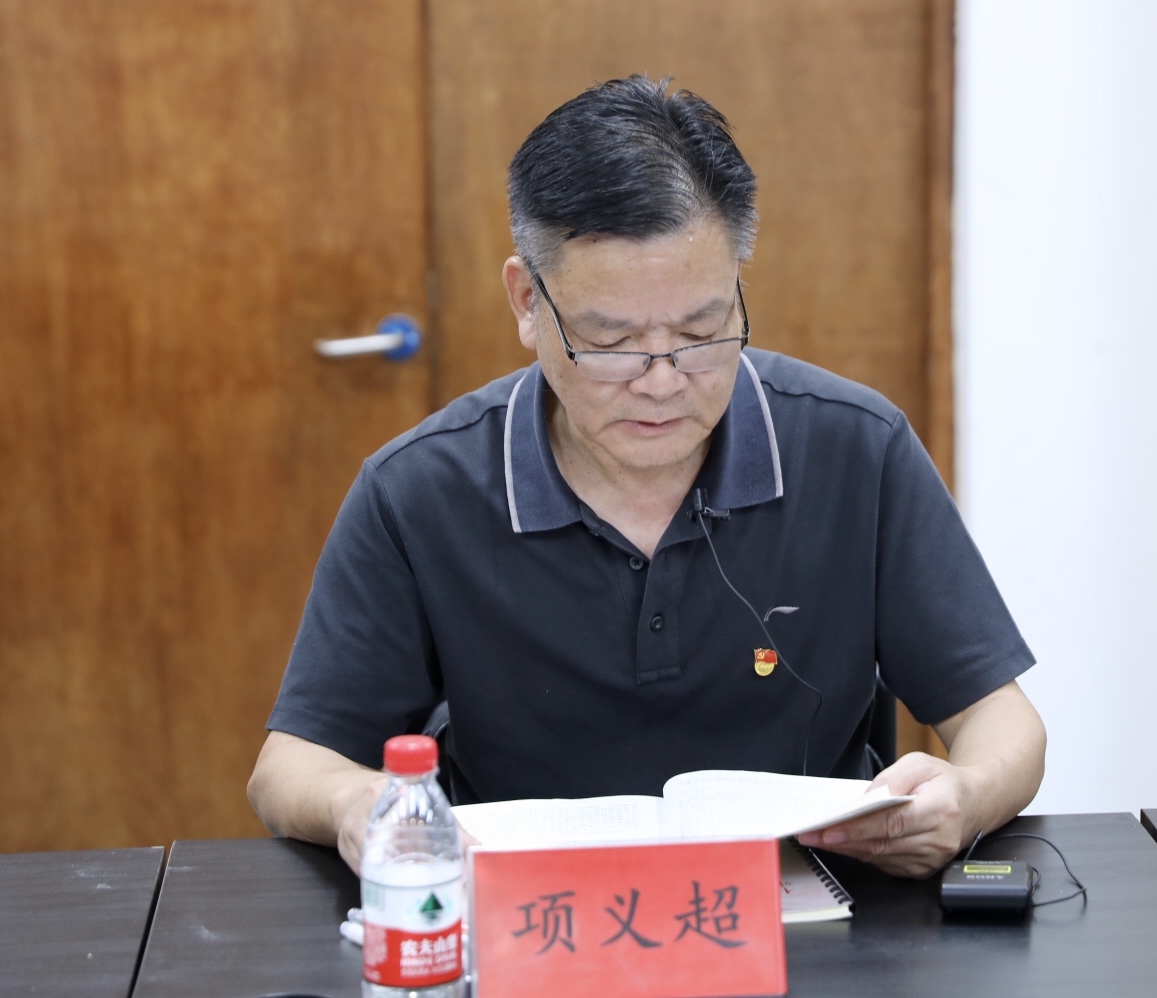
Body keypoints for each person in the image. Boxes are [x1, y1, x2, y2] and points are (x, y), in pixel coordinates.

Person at [248, 75, 1045, 880]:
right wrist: (362, 806)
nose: (663, 381)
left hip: (813, 911)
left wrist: (966, 794)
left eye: (701, 330)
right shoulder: (419, 491)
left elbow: (1002, 719)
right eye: (611, 341)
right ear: (526, 301)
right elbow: (290, 768)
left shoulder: (856, 449)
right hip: (530, 917)